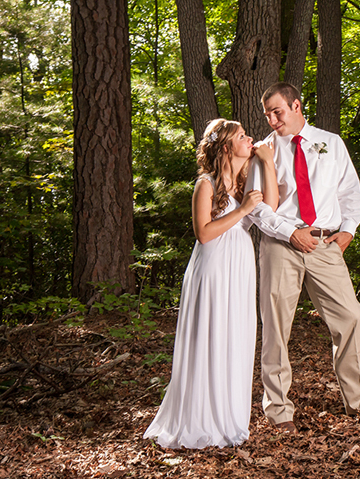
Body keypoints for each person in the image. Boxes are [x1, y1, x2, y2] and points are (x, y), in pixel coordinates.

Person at [246, 82, 360, 434]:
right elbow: (255, 206)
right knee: (275, 327)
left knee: (350, 316)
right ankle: (278, 411)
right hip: (279, 245)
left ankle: (359, 401)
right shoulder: (264, 151)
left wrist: (347, 230)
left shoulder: (330, 143)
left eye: (278, 112)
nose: (272, 120)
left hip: (324, 244)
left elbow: (350, 191)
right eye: (267, 114)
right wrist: (290, 232)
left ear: (297, 105)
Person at [143, 119, 277, 449]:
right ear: (227, 148)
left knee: (236, 336)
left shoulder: (246, 183)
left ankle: (229, 419)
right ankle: (200, 419)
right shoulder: (206, 184)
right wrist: (243, 209)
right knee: (211, 334)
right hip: (214, 266)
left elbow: (271, 210)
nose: (250, 139)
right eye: (243, 136)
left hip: (240, 267)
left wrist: (269, 164)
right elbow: (204, 233)